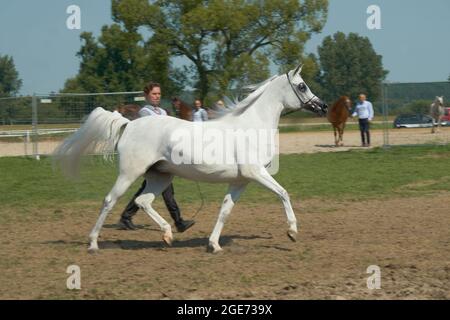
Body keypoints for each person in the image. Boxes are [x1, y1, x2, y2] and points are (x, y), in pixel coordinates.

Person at [118, 82, 196, 232]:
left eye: (159, 94)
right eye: (154, 94)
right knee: (165, 190)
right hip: (150, 156)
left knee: (149, 188)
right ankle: (178, 222)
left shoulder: (162, 111)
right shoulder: (145, 113)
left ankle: (126, 217)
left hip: (162, 156)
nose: (157, 96)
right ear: (147, 95)